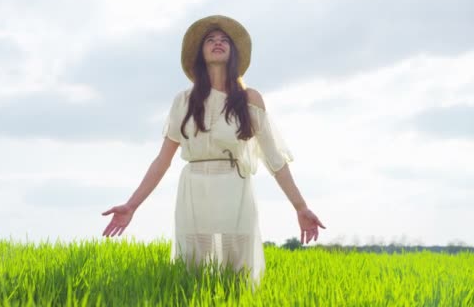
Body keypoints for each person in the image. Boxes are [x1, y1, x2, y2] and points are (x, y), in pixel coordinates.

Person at [102, 15, 325, 284]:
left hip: (234, 187)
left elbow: (274, 159)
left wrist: (300, 207)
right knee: (193, 271)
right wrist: (131, 205)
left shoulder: (249, 99)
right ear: (200, 53)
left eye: (224, 40)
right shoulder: (183, 100)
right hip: (194, 189)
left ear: (233, 53)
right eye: (210, 40)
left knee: (237, 270)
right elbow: (162, 160)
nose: (217, 43)